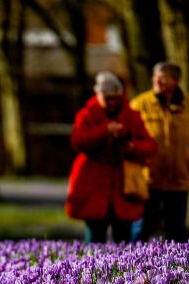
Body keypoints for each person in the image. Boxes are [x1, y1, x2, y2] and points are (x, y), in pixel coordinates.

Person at [66, 71, 157, 243]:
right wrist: (104, 131)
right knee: (94, 238)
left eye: (115, 98)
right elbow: (77, 141)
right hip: (93, 182)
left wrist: (132, 147)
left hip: (124, 184)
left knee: (123, 239)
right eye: (107, 98)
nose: (112, 102)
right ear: (98, 95)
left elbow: (150, 146)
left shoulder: (132, 116)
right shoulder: (86, 115)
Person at [130, 61, 189, 242]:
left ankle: (176, 268)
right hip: (148, 179)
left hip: (178, 179)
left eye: (163, 78)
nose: (157, 81)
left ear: (176, 80)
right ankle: (131, 266)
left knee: (176, 230)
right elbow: (128, 135)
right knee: (141, 228)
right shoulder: (139, 104)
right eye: (155, 77)